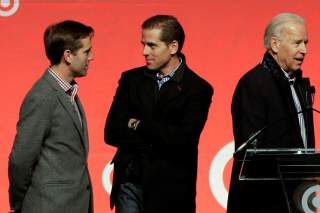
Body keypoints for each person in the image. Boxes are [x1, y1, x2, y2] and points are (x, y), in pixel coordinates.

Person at [104, 15, 213, 213]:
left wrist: (138, 125)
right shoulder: (131, 79)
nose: (144, 52)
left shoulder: (198, 88)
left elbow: (183, 140)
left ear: (173, 47)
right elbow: (111, 131)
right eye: (143, 44)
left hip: (171, 192)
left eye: (152, 46)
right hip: (130, 183)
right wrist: (159, 137)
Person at [227, 13, 315, 213]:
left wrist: (309, 171)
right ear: (275, 45)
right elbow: (253, 149)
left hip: (298, 195)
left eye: (306, 43)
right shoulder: (254, 83)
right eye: (297, 43)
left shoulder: (299, 85)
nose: (304, 50)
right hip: (263, 199)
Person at [8, 20, 94, 213]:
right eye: (87, 51)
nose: (92, 57)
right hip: (49, 206)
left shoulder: (67, 92)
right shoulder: (42, 96)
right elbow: (21, 159)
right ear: (68, 56)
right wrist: (20, 203)